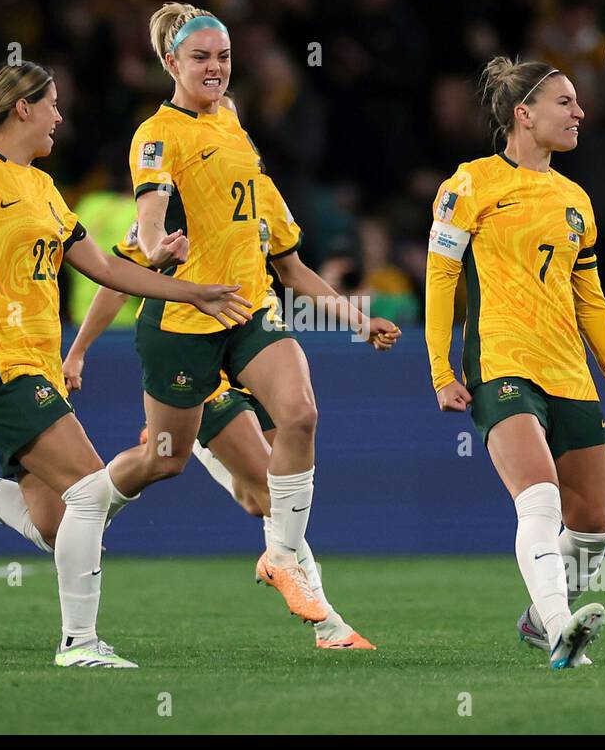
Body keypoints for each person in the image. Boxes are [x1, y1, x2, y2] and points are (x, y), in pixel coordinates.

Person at [0, 60, 251, 670]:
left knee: (55, 525)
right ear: (23, 108)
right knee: (90, 494)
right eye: (51, 104)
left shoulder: (43, 187)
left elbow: (105, 268)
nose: (59, 116)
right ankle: (78, 644)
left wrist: (190, 288)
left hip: (38, 367)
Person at [87, 2, 398, 624]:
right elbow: (145, 224)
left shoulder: (236, 132)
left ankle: (287, 569)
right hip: (182, 328)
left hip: (249, 315)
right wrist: (156, 249)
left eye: (223, 57)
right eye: (200, 57)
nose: (214, 68)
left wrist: (357, 319)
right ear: (171, 62)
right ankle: (84, 504)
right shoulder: (157, 134)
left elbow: (289, 263)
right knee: (170, 464)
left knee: (300, 416)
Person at [62, 150, 397, 648]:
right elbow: (117, 280)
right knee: (241, 484)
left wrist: (356, 320)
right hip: (194, 352)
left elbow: (295, 272)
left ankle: (309, 600)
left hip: (251, 339)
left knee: (271, 477)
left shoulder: (261, 194)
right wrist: (79, 350)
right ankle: (329, 624)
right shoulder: (171, 202)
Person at [424, 57, 605, 670]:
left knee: (594, 527)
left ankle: (539, 621)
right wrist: (442, 370)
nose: (579, 112)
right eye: (565, 102)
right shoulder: (469, 184)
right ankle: (562, 631)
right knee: (539, 499)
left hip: (570, 373)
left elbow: (591, 304)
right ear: (523, 115)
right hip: (501, 365)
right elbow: (441, 276)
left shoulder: (576, 200)